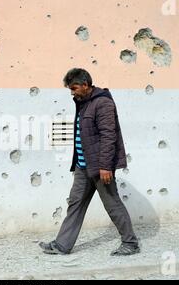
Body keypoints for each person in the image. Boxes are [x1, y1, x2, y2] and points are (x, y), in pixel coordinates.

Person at [39, 68, 140, 256]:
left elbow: (108, 136)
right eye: (70, 89)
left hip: (99, 167)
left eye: (74, 88)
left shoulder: (103, 103)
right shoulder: (83, 102)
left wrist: (105, 166)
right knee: (75, 202)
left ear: (86, 85)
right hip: (82, 166)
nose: (72, 92)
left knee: (112, 204)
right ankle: (62, 245)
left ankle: (130, 243)